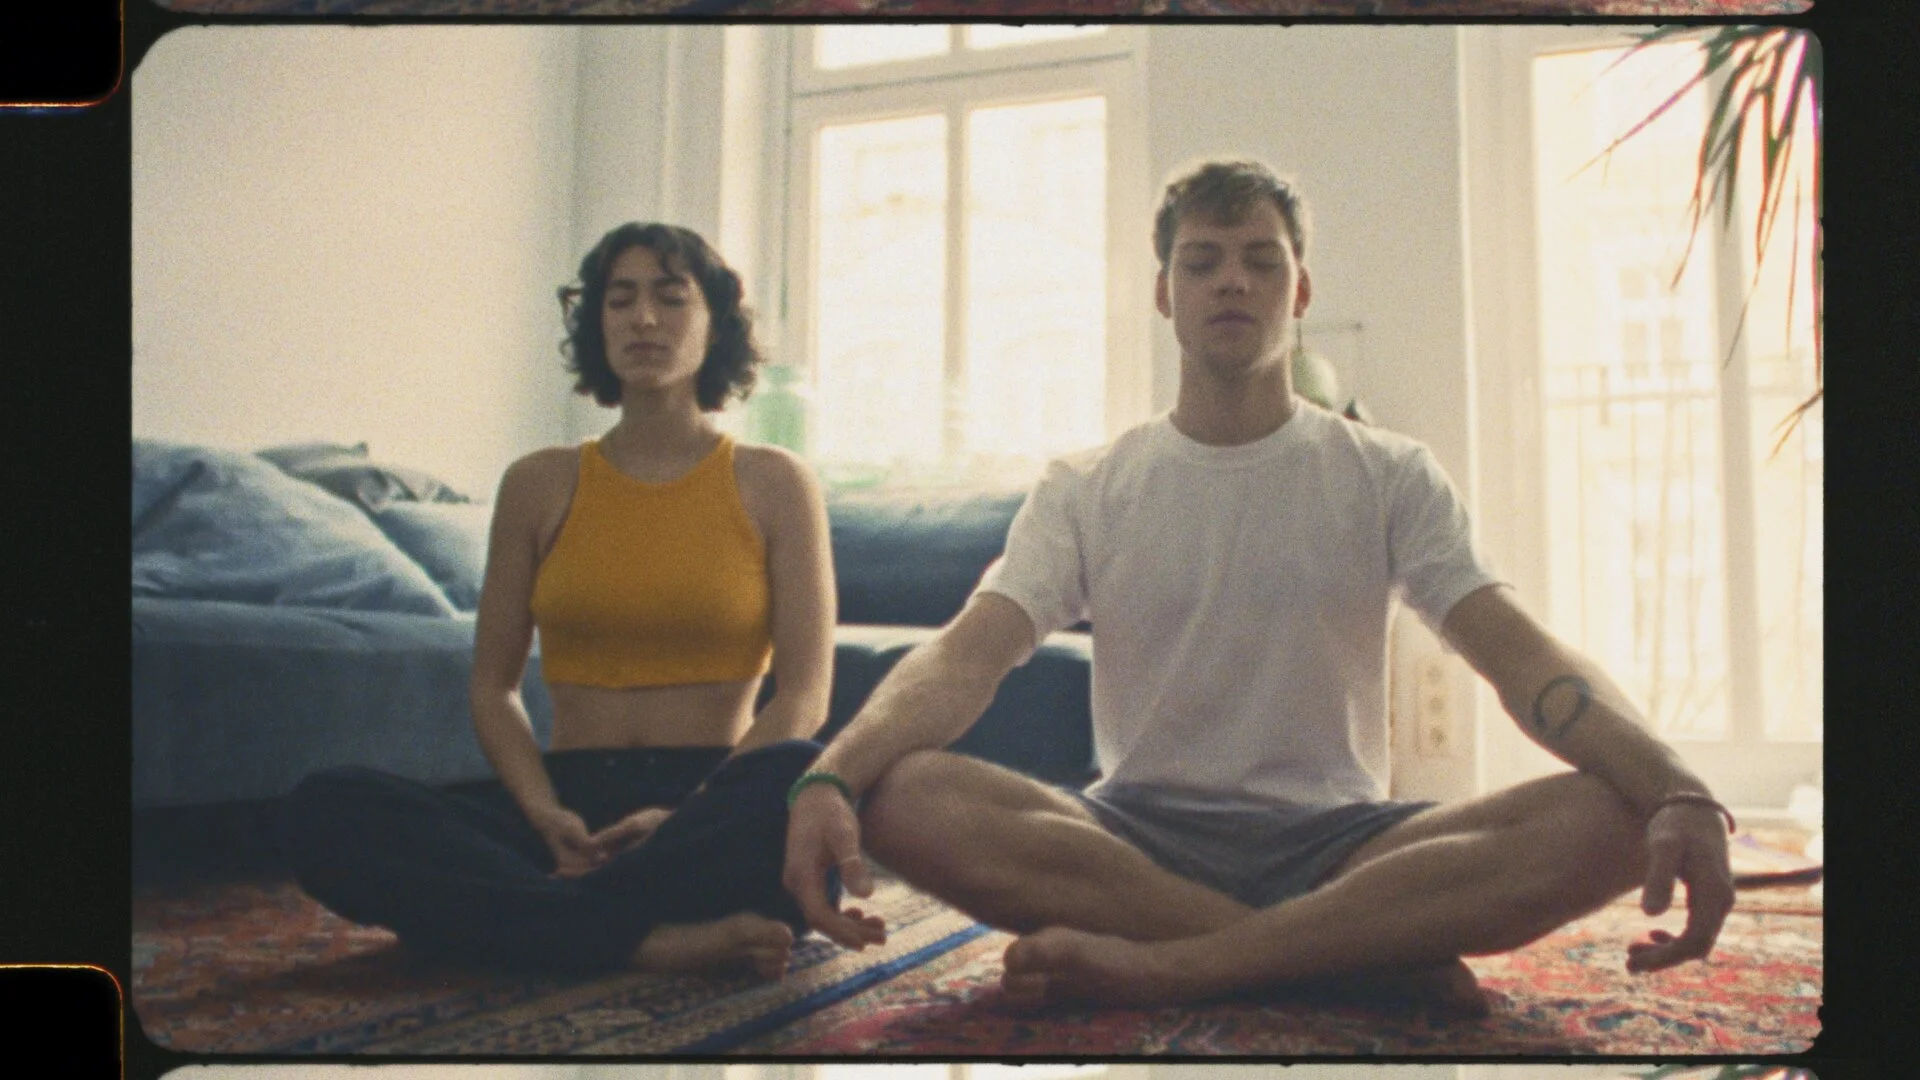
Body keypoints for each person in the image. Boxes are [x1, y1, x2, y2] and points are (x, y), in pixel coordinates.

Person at [781, 160, 1737, 1010]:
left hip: (1349, 848)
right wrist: (832, 774)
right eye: (1201, 261)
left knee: (1616, 814)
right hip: (1130, 841)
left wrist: (1679, 788)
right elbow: (965, 655)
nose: (1231, 280)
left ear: (1300, 287)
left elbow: (1519, 654)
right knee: (902, 793)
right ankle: (1346, 961)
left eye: (1260, 260)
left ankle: (1182, 964)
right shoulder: (1086, 486)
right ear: (1164, 293)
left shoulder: (1388, 472)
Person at [286, 222, 875, 977]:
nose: (644, 319)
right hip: (566, 808)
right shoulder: (537, 483)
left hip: (711, 804)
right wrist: (544, 816)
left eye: (671, 298)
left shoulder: (775, 482)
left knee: (799, 773)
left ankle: (526, 922)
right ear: (596, 324)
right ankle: (645, 941)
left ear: (716, 323)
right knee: (328, 808)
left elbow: (804, 694)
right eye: (619, 300)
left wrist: (683, 815)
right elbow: (493, 687)